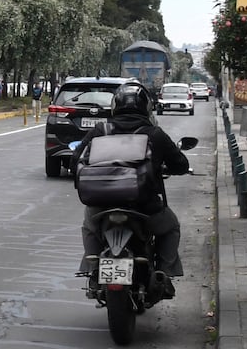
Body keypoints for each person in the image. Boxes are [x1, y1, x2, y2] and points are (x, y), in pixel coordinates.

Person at [70, 81, 189, 297]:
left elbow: (75, 161)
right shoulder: (154, 134)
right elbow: (180, 164)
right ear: (147, 107)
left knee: (89, 226)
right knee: (171, 228)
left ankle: (93, 269)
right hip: (145, 208)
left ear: (115, 106)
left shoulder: (100, 130)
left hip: (101, 206)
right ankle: (163, 273)